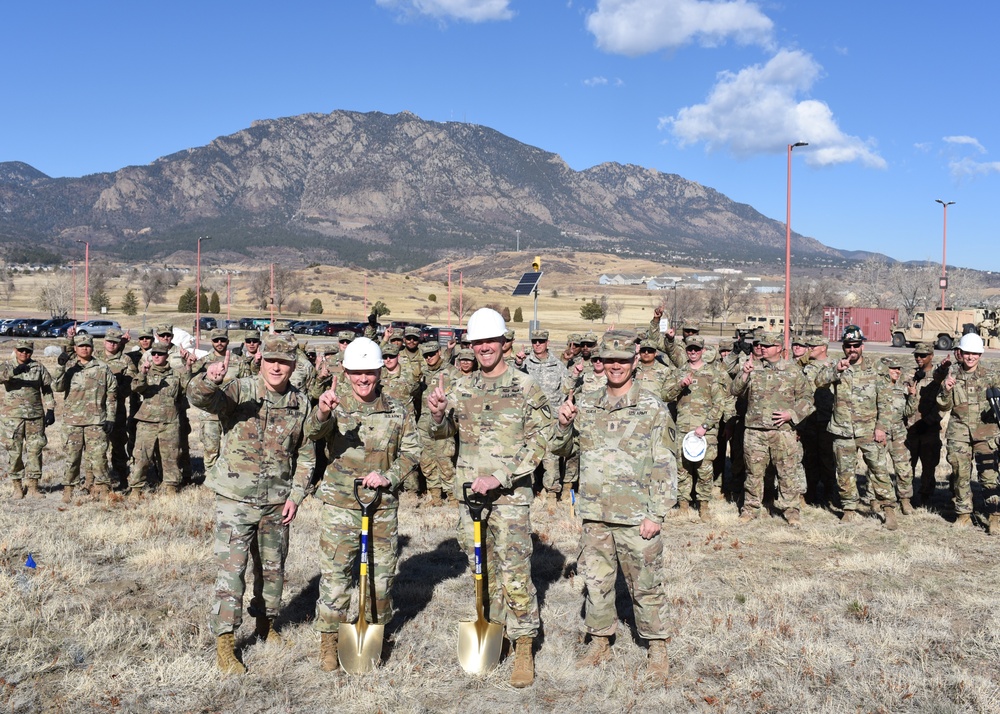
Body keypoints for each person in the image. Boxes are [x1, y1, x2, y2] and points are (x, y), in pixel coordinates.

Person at [426, 308, 551, 688]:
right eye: (477, 342)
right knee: (484, 569)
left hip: (510, 498)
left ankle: (524, 644)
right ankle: (494, 631)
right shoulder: (460, 387)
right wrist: (437, 417)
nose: (483, 348)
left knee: (514, 572)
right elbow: (445, 436)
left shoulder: (526, 387)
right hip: (470, 498)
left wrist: (500, 476)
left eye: (489, 341)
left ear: (503, 343)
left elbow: (540, 441)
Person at [550, 331, 675, 681]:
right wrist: (562, 425)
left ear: (635, 363)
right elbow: (564, 450)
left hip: (637, 515)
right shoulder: (586, 404)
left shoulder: (651, 407)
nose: (616, 366)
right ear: (601, 364)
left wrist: (657, 513)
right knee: (597, 581)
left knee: (646, 583)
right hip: (596, 513)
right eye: (609, 360)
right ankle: (600, 639)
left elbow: (665, 462)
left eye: (622, 360)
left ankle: (657, 646)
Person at [187, 333, 315, 674]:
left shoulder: (301, 403)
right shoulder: (240, 390)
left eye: (284, 362)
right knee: (232, 573)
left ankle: (267, 625)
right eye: (271, 360)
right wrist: (208, 381)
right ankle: (226, 644)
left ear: (293, 365)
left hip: (276, 503)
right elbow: (204, 401)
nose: (277, 367)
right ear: (261, 360)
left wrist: (297, 495)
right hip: (236, 500)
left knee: (272, 571)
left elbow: (306, 454)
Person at [304, 337, 420, 671]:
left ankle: (374, 632)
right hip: (341, 505)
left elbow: (412, 451)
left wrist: (390, 477)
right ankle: (329, 641)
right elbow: (312, 434)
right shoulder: (333, 402)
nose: (363, 379)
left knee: (381, 578)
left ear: (380, 371)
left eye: (369, 372)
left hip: (381, 507)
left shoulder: (398, 408)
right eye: (356, 373)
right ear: (346, 372)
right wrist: (322, 412)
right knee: (336, 575)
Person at [814, 325, 898, 529]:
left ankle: (888, 509)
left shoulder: (877, 369)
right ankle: (849, 508)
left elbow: (886, 402)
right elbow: (818, 381)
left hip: (870, 430)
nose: (852, 349)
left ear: (862, 346)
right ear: (843, 347)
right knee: (845, 472)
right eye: (848, 345)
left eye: (856, 345)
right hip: (843, 431)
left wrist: (881, 427)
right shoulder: (837, 366)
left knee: (879, 470)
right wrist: (836, 371)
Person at [731, 332, 814, 526]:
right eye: (761, 345)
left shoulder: (793, 371)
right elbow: (734, 391)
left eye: (768, 345)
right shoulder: (753, 368)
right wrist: (744, 374)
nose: (763, 348)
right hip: (755, 431)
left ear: (779, 348)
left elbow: (808, 399)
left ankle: (791, 510)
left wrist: (792, 415)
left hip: (783, 432)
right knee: (753, 473)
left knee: (787, 473)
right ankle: (750, 508)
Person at [936, 332, 1000, 530]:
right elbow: (943, 406)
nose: (971, 357)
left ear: (980, 355)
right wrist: (945, 389)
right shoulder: (951, 375)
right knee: (960, 474)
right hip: (959, 434)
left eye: (975, 353)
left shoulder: (991, 376)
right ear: (960, 353)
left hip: (986, 433)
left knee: (989, 475)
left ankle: (994, 515)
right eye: (967, 353)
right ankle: (963, 514)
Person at [663, 335, 727, 521]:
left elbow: (719, 404)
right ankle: (683, 504)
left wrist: (705, 426)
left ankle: (703, 506)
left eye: (696, 349)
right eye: (690, 349)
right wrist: (680, 385)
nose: (693, 352)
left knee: (704, 469)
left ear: (703, 351)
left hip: (705, 430)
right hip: (683, 427)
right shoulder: (679, 372)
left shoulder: (712, 373)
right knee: (683, 469)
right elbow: (665, 395)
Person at [53, 333, 117, 502]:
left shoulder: (102, 368)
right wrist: (60, 366)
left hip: (96, 421)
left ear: (92, 348)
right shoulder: (71, 370)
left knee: (99, 457)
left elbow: (112, 393)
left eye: (87, 345)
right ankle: (68, 489)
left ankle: (103, 488)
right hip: (72, 422)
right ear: (75, 349)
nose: (85, 348)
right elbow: (57, 387)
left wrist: (110, 417)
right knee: (72, 458)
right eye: (81, 346)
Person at [130, 341, 192, 496]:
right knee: (142, 456)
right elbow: (136, 388)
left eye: (160, 354)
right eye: (154, 354)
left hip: (169, 421)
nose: (156, 356)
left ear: (167, 356)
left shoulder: (176, 374)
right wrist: (143, 373)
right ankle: (136, 488)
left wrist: (188, 367)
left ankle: (170, 485)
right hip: (147, 421)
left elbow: (187, 389)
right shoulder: (146, 371)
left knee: (170, 455)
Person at [515, 329, 569, 500]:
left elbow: (566, 389)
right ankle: (529, 490)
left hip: (551, 419)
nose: (537, 344)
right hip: (530, 418)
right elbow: (513, 381)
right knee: (528, 455)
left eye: (541, 341)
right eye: (534, 341)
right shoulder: (525, 364)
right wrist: (517, 364)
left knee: (551, 457)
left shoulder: (557, 365)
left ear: (547, 343)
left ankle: (552, 494)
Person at [0, 339, 55, 499]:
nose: (24, 353)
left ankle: (33, 487)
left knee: (35, 451)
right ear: (15, 350)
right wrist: (15, 371)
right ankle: (17, 487)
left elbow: (47, 389)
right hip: (13, 417)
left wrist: (50, 409)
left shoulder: (38, 367)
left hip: (35, 417)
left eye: (28, 351)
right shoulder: (7, 365)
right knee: (14, 452)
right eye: (21, 350)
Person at [417, 341, 460, 506]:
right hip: (424, 424)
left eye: (432, 354)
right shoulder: (422, 373)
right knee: (427, 461)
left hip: (443, 422)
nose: (429, 358)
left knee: (445, 462)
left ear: (439, 353)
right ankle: (435, 497)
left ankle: (453, 497)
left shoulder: (451, 372)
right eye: (426, 355)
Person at [905, 343, 947, 505]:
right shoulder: (911, 375)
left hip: (929, 429)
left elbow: (944, 403)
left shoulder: (939, 378)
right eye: (917, 355)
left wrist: (929, 421)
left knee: (929, 466)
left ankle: (925, 497)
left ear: (931, 356)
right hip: (911, 429)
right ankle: (906, 497)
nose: (919, 358)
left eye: (923, 355)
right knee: (908, 465)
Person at [101, 327, 137, 486]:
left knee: (118, 443)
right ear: (104, 341)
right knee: (97, 447)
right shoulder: (95, 357)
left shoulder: (126, 360)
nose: (112, 345)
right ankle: (97, 481)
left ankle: (122, 477)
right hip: (96, 409)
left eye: (115, 342)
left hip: (117, 409)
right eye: (109, 341)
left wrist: (116, 392)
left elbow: (131, 381)